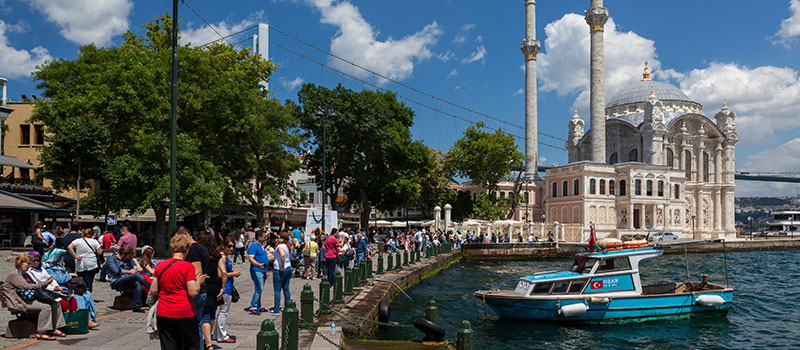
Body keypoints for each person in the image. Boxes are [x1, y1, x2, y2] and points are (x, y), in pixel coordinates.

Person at [149, 234, 205, 350]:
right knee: (191, 344)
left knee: (168, 345)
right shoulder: (187, 267)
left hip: (164, 311)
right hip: (184, 311)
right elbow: (193, 292)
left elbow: (153, 290)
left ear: (171, 249)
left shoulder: (160, 265)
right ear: (187, 250)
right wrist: (198, 282)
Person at [3, 254, 66, 340]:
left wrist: (46, 284)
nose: (29, 266)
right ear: (20, 263)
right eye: (27, 264)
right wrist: (44, 284)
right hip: (20, 302)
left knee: (55, 304)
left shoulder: (24, 274)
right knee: (46, 307)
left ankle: (55, 328)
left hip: (30, 299)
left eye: (29, 264)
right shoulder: (14, 275)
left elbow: (34, 285)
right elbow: (25, 286)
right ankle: (42, 332)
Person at [196, 232, 224, 350]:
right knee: (212, 313)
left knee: (204, 315)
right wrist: (223, 288)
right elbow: (223, 273)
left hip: (205, 285)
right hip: (215, 286)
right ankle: (208, 339)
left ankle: (208, 344)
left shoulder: (199, 255)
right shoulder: (217, 255)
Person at [105, 245, 151, 312]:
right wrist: (130, 272)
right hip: (116, 281)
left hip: (127, 279)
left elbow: (131, 268)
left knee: (137, 284)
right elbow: (116, 271)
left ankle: (136, 306)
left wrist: (135, 269)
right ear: (123, 254)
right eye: (128, 256)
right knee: (136, 276)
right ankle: (152, 289)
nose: (129, 259)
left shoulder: (127, 260)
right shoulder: (111, 259)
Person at [213, 237, 239, 344]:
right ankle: (222, 335)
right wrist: (233, 274)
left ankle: (216, 334)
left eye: (233, 246)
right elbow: (221, 274)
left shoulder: (224, 257)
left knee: (221, 312)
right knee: (224, 312)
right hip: (225, 287)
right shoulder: (222, 258)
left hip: (227, 286)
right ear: (223, 246)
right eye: (229, 246)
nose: (231, 248)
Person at [67, 228, 103, 293]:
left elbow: (69, 247)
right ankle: (88, 295)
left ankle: (81, 295)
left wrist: (75, 256)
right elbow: (99, 252)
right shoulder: (94, 241)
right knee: (89, 281)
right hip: (91, 263)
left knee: (81, 281)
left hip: (80, 263)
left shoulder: (78, 241)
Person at [246, 229, 269, 315]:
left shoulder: (261, 245)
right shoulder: (253, 246)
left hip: (263, 270)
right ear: (259, 237)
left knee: (260, 288)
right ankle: (253, 306)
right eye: (264, 236)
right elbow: (251, 258)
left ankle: (258, 305)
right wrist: (258, 265)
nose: (265, 238)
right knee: (259, 287)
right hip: (257, 270)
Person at [270, 232, 292, 315]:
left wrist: (281, 266)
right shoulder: (288, 246)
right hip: (288, 267)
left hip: (279, 269)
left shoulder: (279, 246)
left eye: (279, 237)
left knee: (277, 290)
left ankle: (276, 309)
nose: (277, 239)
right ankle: (287, 306)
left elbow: (282, 255)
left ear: (283, 239)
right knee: (286, 288)